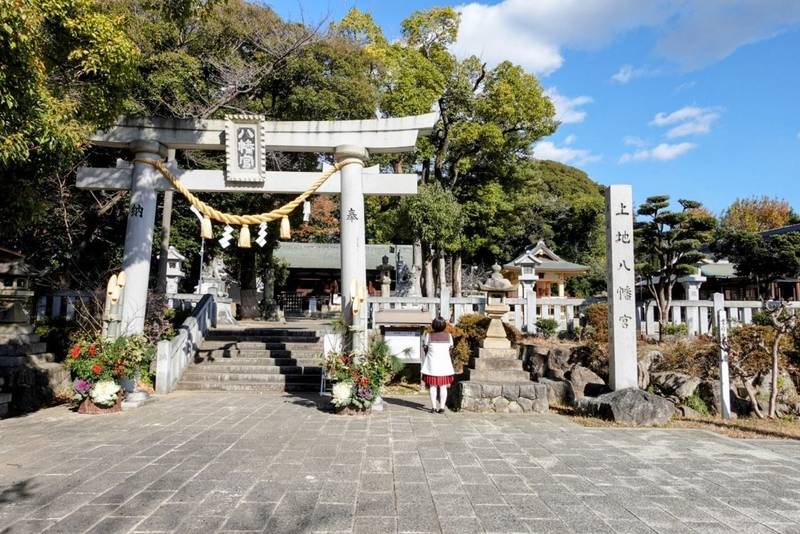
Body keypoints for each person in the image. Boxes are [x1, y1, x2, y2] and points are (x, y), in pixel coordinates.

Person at [421, 316, 455, 413]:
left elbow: (425, 348)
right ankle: (442, 407)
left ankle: (433, 407)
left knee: (433, 386)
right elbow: (451, 348)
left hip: (432, 365)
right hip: (444, 365)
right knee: (443, 386)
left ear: (433, 325)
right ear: (444, 325)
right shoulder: (449, 336)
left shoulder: (429, 336)